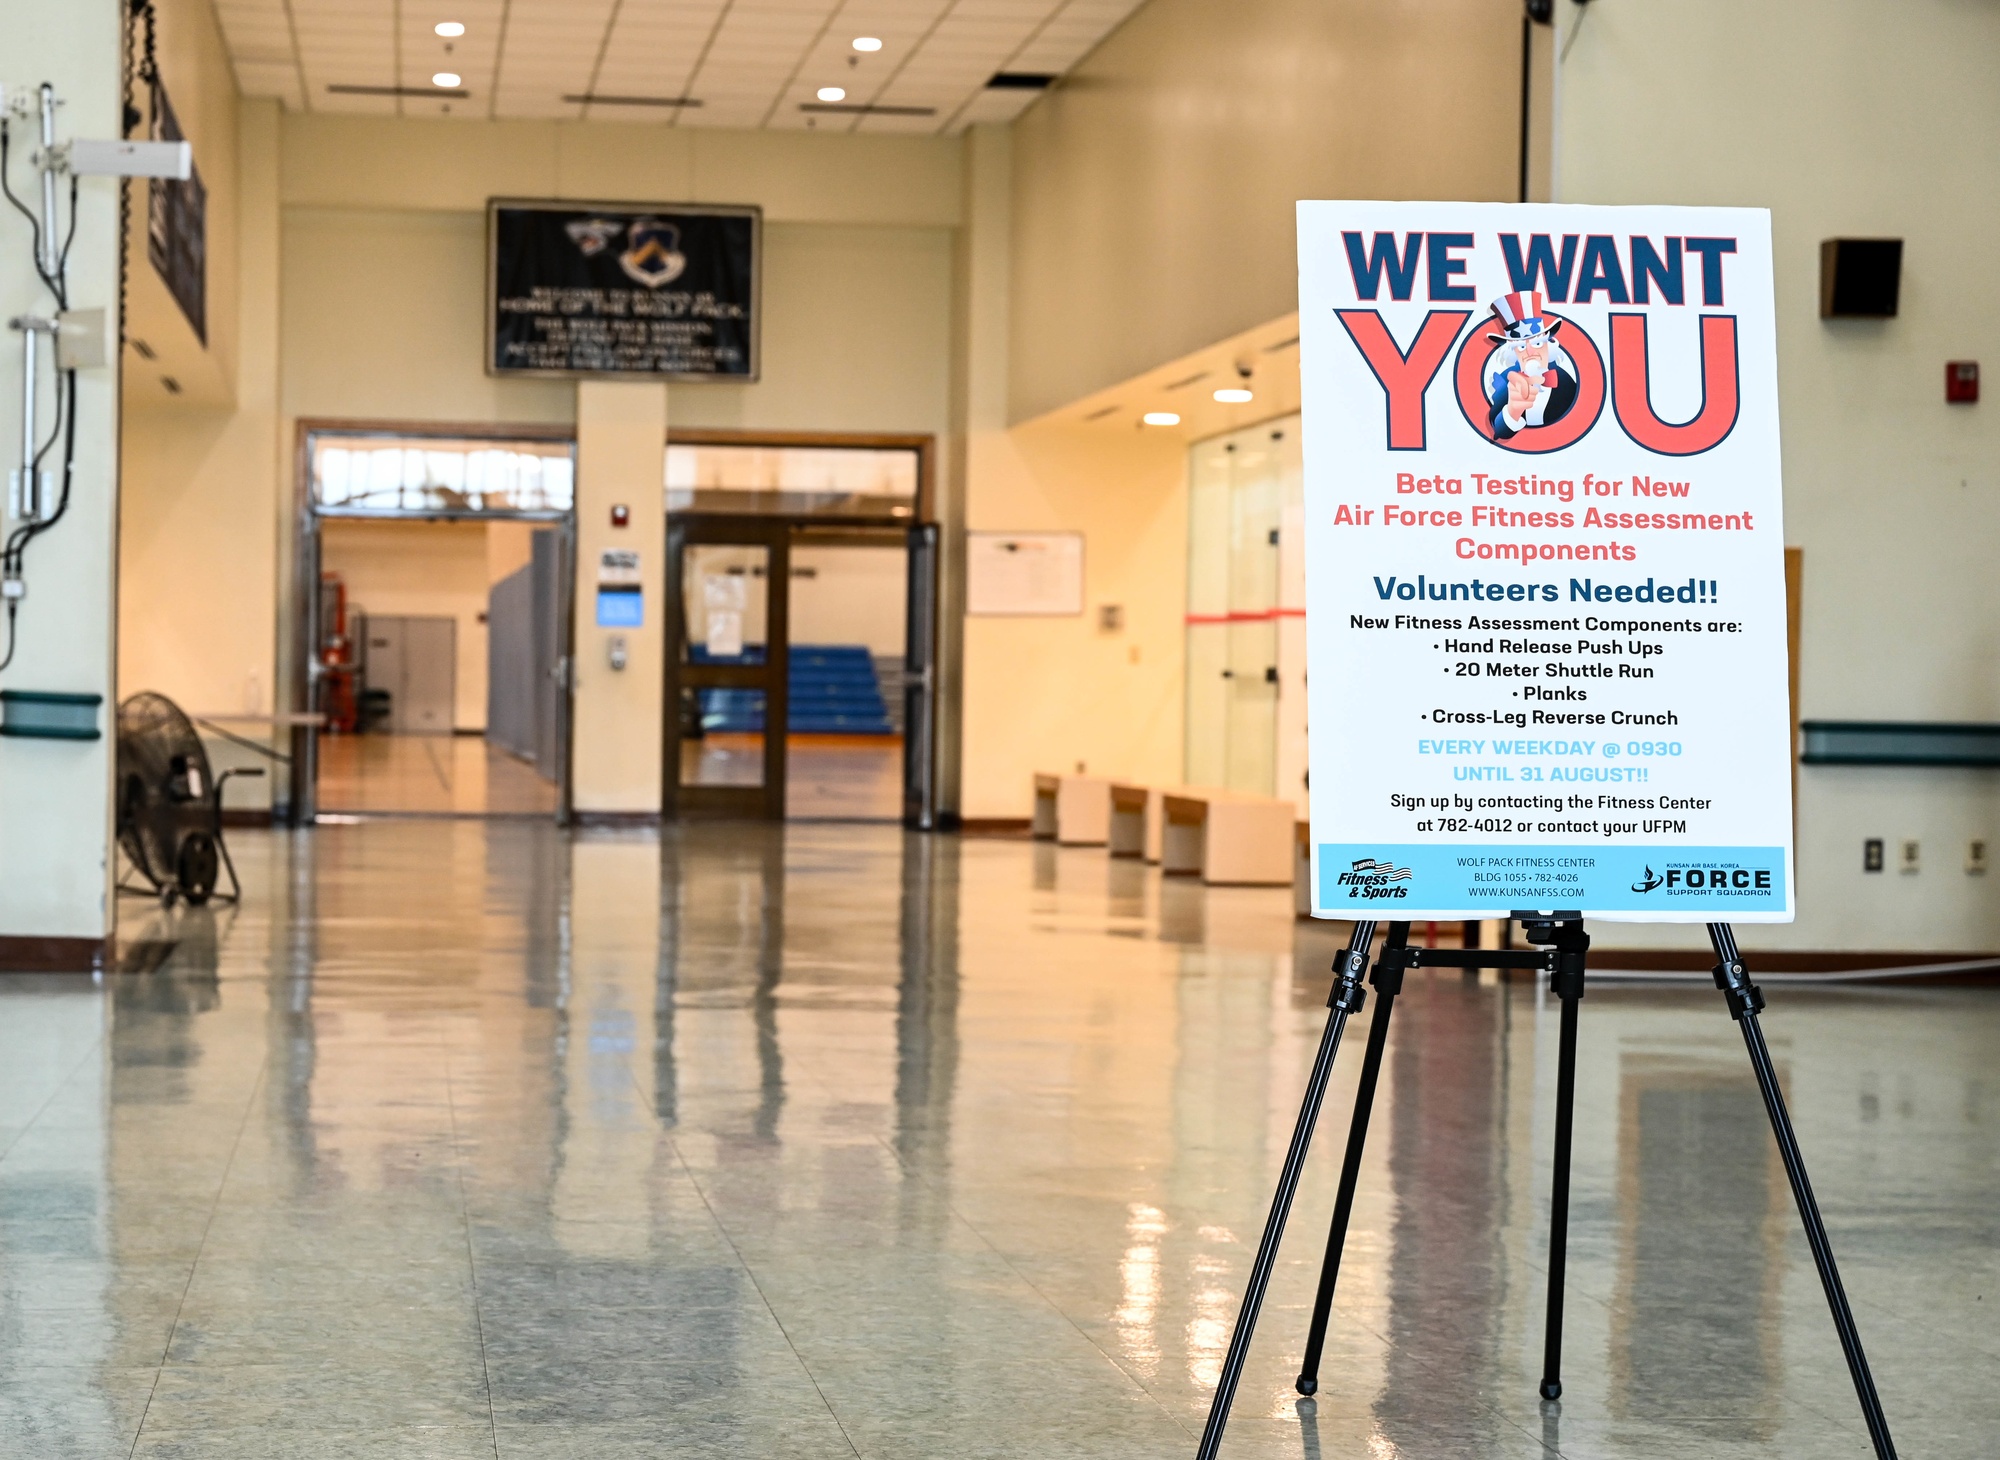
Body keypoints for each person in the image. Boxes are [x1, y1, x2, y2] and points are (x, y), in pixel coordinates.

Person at [1484, 290, 1578, 441]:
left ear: (1549, 345)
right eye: (1521, 346)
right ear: (1514, 352)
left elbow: (1578, 419)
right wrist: (1512, 410)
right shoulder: (1508, 381)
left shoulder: (1566, 382)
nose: (1530, 351)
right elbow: (1498, 430)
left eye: (1538, 343)